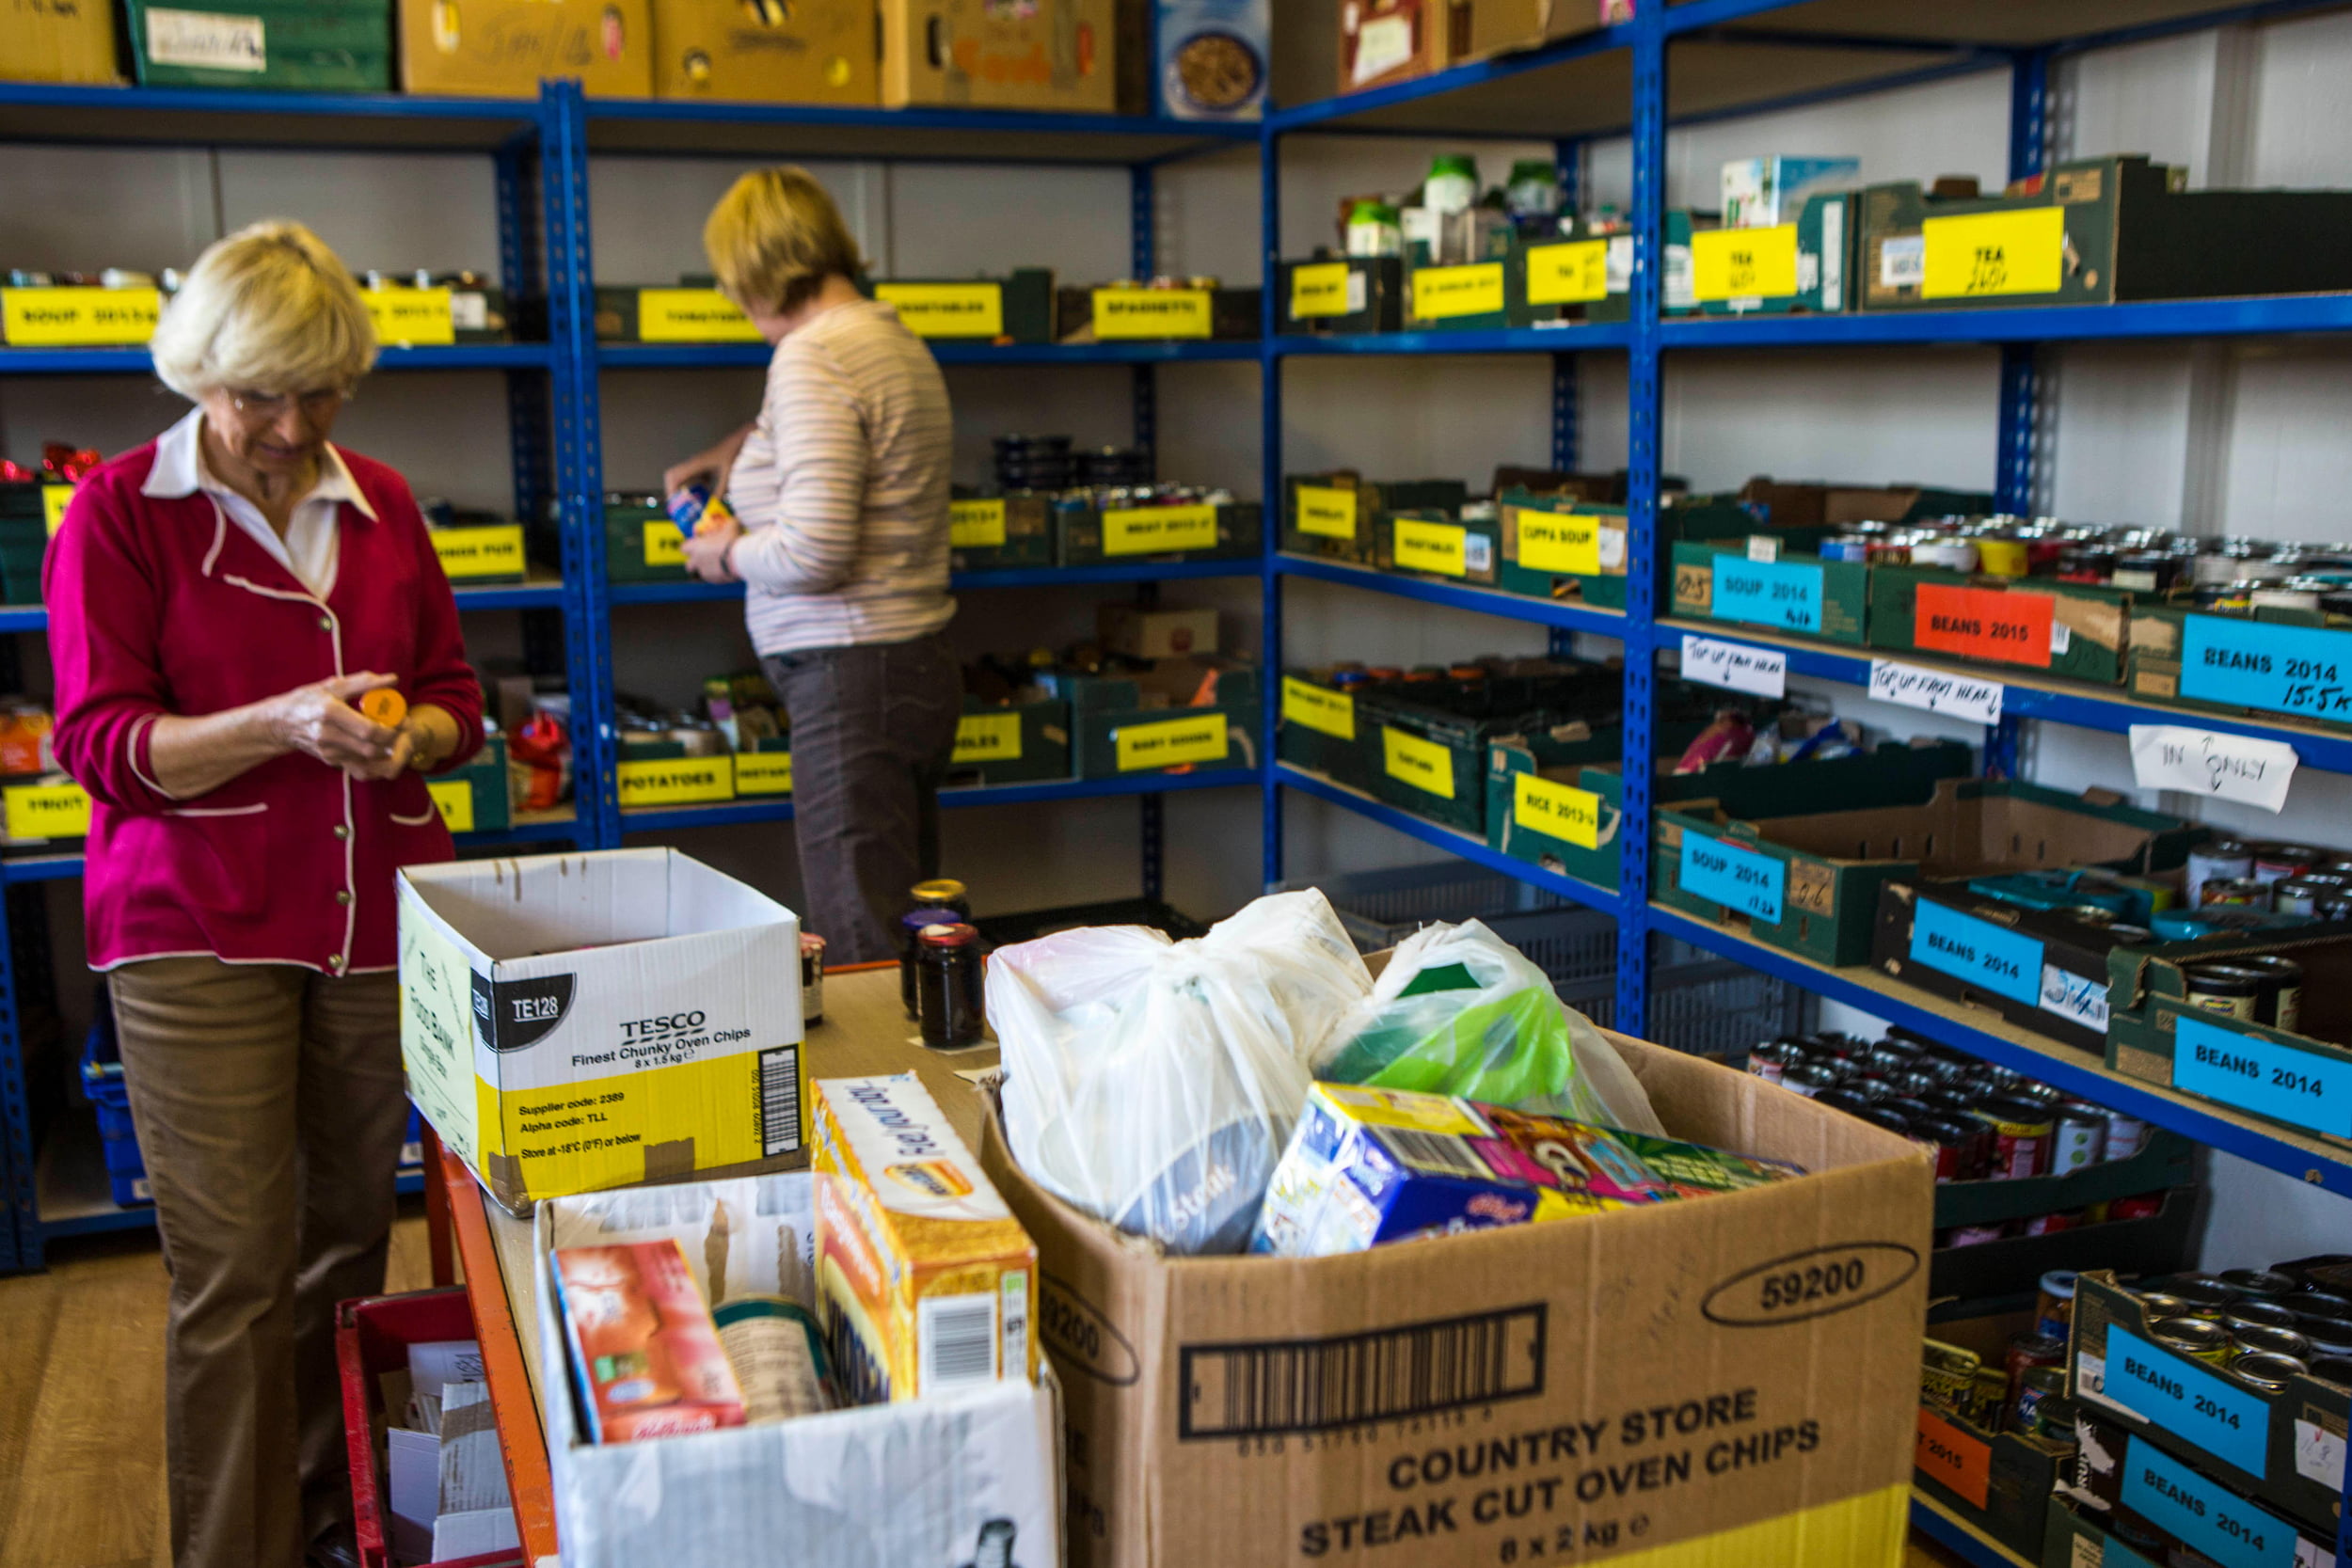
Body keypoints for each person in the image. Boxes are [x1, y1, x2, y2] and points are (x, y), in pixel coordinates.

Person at [44, 219, 485, 1568]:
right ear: (197, 375)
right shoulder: (122, 513)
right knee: (234, 1273)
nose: (292, 427)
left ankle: (331, 1519)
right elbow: (100, 743)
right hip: (199, 931)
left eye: (322, 391)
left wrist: (415, 738)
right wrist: (283, 720)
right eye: (257, 396)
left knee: (346, 1241)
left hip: (369, 921)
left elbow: (458, 698)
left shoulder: (388, 505)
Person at [665, 166, 961, 963]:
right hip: (909, 665)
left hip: (850, 675)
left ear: (758, 268)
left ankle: (887, 1090)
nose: (735, 302)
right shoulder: (886, 337)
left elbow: (814, 552)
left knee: (865, 948)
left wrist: (723, 552)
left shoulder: (813, 356)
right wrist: (736, 452)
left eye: (733, 283)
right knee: (909, 929)